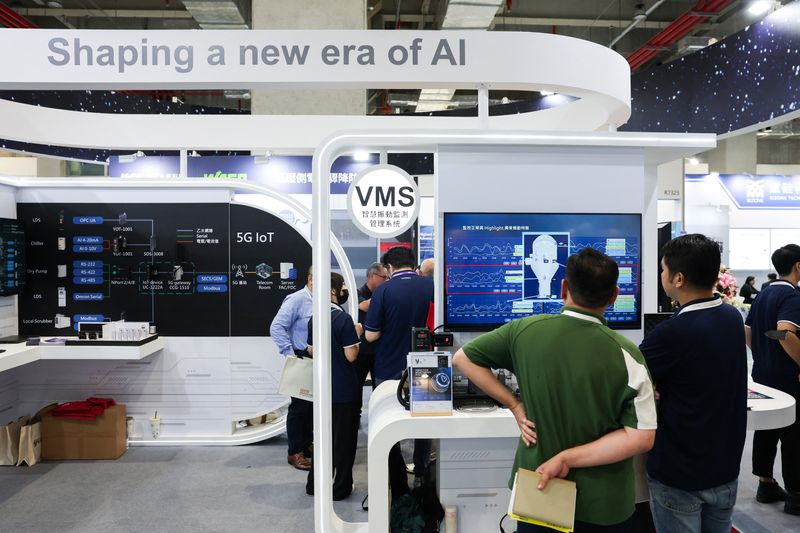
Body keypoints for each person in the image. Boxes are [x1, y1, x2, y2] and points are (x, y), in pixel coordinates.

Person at [453, 248, 657, 533]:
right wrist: (568, 458)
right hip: (604, 504)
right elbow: (642, 438)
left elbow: (463, 359)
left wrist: (514, 405)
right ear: (614, 296)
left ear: (563, 287)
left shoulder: (523, 331)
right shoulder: (628, 355)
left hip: (539, 491)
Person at [639, 234, 747, 532]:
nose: (661, 275)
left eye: (662, 269)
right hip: (725, 470)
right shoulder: (731, 317)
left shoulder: (672, 333)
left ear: (678, 278)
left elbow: (629, 380)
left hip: (679, 475)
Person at [365, 246, 434, 494]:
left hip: (388, 367)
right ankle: (423, 474)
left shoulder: (383, 290)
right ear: (412, 263)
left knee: (385, 424)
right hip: (426, 365)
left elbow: (371, 335)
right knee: (426, 421)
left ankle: (397, 483)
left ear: (389, 268)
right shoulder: (431, 286)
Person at [745, 244, 800, 515]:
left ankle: (765, 484)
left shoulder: (764, 295)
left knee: (766, 430)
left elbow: (747, 329)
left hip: (763, 375)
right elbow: (785, 333)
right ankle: (796, 495)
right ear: (798, 266)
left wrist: (762, 354)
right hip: (789, 378)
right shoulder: (792, 297)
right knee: (794, 435)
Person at [305, 272, 362, 500]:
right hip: (344, 391)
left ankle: (314, 485)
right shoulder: (343, 320)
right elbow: (351, 356)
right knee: (344, 440)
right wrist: (356, 334)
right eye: (343, 287)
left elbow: (310, 350)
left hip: (321, 389)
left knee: (321, 439)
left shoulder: (314, 318)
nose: (345, 291)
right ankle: (340, 488)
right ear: (333, 290)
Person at [269, 266, 314, 471]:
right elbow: (276, 327)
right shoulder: (297, 299)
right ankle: (294, 451)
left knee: (312, 406)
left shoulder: (321, 300)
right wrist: (291, 353)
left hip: (318, 360)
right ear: (311, 278)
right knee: (299, 407)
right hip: (302, 357)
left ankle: (306, 445)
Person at [355, 262, 389, 394]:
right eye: (384, 277)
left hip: (379, 351)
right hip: (361, 351)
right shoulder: (357, 293)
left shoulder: (384, 293)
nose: (386, 280)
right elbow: (364, 306)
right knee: (356, 389)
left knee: (380, 390)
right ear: (371, 276)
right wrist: (382, 294)